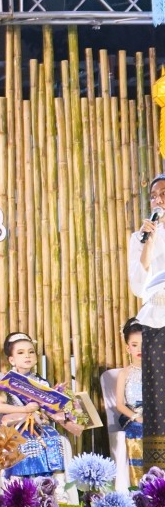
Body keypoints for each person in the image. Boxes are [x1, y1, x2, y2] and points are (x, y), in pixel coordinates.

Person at [0, 332, 82, 478]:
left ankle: (53, 482)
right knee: (27, 443)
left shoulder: (41, 383)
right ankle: (24, 483)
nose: (27, 356)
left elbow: (47, 410)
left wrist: (59, 403)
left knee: (54, 439)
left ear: (36, 357)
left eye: (31, 352)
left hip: (39, 425)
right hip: (18, 426)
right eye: (21, 353)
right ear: (12, 360)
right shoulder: (9, 381)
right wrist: (24, 409)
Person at [128, 173, 165, 470]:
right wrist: (148, 245)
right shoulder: (139, 238)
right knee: (157, 399)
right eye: (153, 196)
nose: (158, 200)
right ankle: (159, 475)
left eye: (164, 194)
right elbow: (139, 288)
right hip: (155, 322)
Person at [115, 317, 144, 484]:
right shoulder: (124, 374)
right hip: (132, 416)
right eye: (134, 345)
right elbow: (119, 404)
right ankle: (139, 482)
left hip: (154, 416)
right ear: (128, 348)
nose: (140, 349)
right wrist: (136, 417)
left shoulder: (157, 372)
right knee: (139, 430)